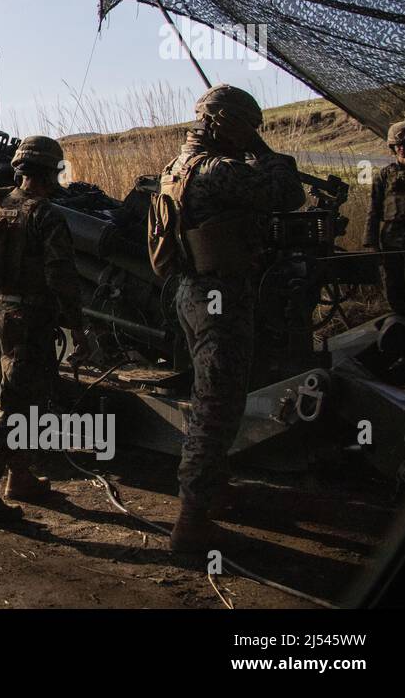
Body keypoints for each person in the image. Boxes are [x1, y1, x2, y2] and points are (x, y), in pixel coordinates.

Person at [162, 84, 304, 553]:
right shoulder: (218, 170)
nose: (253, 135)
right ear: (226, 124)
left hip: (193, 291)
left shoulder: (177, 165)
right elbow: (288, 194)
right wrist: (266, 152)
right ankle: (192, 520)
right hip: (217, 297)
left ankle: (213, 491)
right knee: (216, 405)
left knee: (214, 396)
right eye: (249, 127)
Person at [0, 135, 90, 524]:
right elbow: (62, 277)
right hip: (27, 322)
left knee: (24, 396)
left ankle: (19, 475)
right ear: (51, 173)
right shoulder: (46, 216)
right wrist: (78, 329)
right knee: (14, 404)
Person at [364, 117, 405, 318]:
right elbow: (373, 209)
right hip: (391, 239)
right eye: (397, 144)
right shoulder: (384, 175)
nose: (402, 148)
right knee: (393, 287)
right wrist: (371, 242)